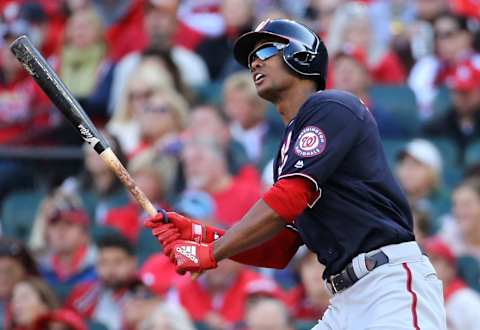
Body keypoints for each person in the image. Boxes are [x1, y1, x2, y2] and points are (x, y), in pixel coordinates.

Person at [145, 18, 447, 329]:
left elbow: (289, 197)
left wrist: (211, 252)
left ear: (302, 55)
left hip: (388, 285)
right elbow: (281, 247)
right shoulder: (287, 150)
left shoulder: (332, 105)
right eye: (251, 58)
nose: (255, 63)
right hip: (345, 298)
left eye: (267, 50)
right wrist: (199, 233)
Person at [66, 232, 138, 329]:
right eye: (103, 262)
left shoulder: (144, 297)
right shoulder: (81, 294)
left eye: (118, 262)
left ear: (133, 263)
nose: (111, 269)